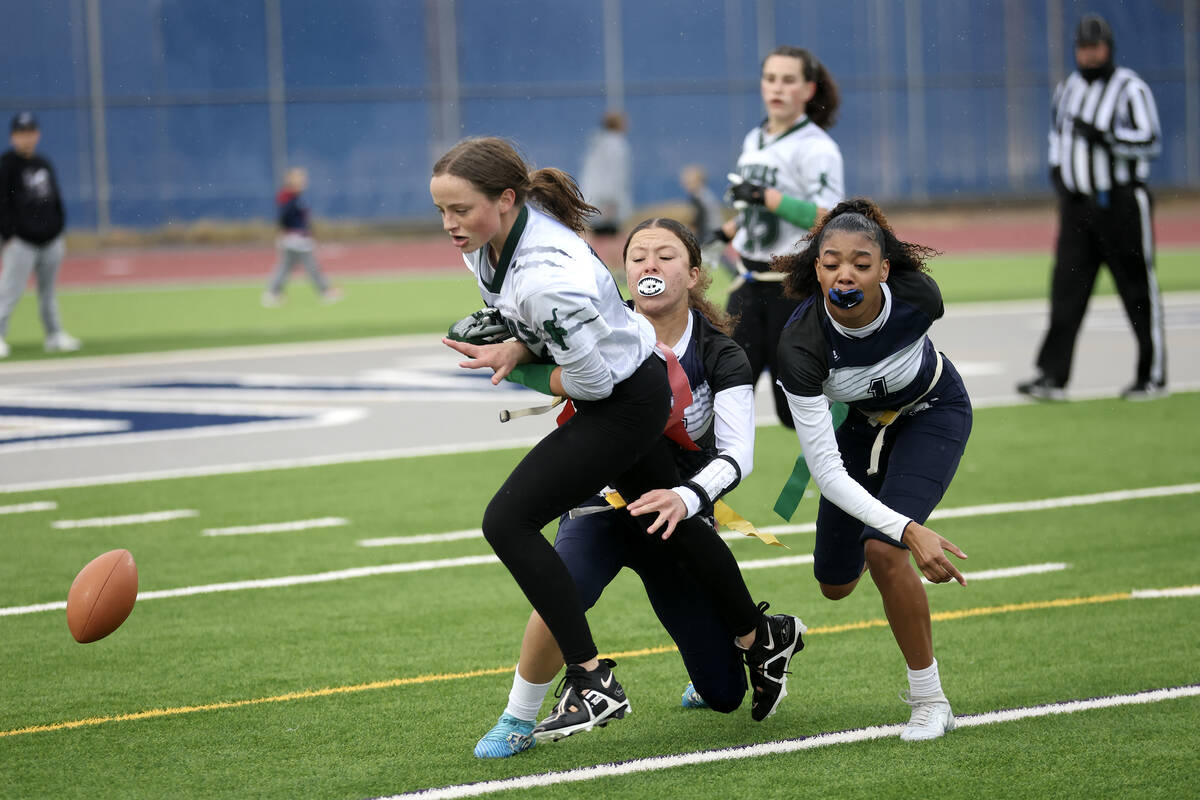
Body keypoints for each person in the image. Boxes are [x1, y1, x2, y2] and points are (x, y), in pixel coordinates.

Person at [432, 137, 802, 744]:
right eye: (441, 211)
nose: (449, 225)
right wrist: (520, 343)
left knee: (507, 521)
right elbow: (558, 339)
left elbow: (592, 382)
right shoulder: (493, 245)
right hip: (620, 421)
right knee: (609, 540)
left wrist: (519, 365)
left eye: (460, 210)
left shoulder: (553, 279)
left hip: (621, 403)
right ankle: (760, 635)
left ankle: (592, 679)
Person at [473, 217, 765, 758]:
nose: (649, 265)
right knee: (562, 588)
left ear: (695, 274)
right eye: (638, 257)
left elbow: (738, 455)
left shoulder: (721, 353)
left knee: (725, 695)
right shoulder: (602, 327)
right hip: (600, 502)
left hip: (669, 514)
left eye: (666, 256)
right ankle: (518, 716)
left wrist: (687, 497)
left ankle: (748, 641)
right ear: (622, 272)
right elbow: (567, 372)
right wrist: (515, 355)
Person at [774, 198, 971, 742]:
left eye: (862, 263)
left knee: (883, 551)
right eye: (832, 261)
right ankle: (887, 529)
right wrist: (906, 524)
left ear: (885, 270)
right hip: (856, 427)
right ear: (816, 269)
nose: (846, 273)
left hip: (931, 411)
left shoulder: (918, 297)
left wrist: (898, 533)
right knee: (835, 585)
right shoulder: (799, 346)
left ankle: (931, 701)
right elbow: (828, 474)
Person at [1017, 14, 1166, 401]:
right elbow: (1056, 137)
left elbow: (1150, 140)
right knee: (1066, 290)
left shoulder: (1130, 88)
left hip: (1120, 203)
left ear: (1109, 48)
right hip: (1078, 207)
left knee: (1137, 289)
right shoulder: (1067, 88)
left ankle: (1152, 375)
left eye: (1095, 46)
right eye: (1083, 47)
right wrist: (1059, 174)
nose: (1089, 54)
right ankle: (1052, 376)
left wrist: (1108, 137)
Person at [715, 46, 844, 429]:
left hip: (792, 289)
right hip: (748, 283)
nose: (777, 87)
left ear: (808, 89)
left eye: (789, 80)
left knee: (795, 411)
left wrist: (768, 197)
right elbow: (753, 209)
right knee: (724, 395)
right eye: (771, 78)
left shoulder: (817, 147)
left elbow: (830, 218)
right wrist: (728, 229)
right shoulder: (755, 138)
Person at [0, 111, 79, 358]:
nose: (27, 138)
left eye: (30, 132)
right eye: (21, 133)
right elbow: (1, 203)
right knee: (10, 291)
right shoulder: (7, 165)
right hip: (21, 241)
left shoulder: (42, 163)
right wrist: (8, 234)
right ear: (13, 136)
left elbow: (55, 198)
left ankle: (54, 335)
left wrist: (58, 228)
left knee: (48, 293)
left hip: (50, 240)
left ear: (38, 134)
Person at [262, 166, 342, 307]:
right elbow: (284, 217)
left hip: (296, 238)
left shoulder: (294, 197)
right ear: (291, 180)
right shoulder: (288, 198)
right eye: (299, 178)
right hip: (295, 239)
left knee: (285, 267)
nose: (303, 181)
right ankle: (325, 291)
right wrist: (292, 231)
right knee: (311, 266)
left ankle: (272, 293)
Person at [578, 111, 633, 269]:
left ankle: (595, 267)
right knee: (611, 235)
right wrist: (611, 201)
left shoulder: (597, 143)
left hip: (593, 196)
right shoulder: (616, 145)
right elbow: (614, 174)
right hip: (608, 201)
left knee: (596, 234)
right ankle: (614, 269)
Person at [678, 165, 725, 245]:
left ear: (699, 182)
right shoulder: (707, 195)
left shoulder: (697, 198)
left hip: (708, 237)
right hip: (716, 236)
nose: (686, 186)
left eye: (689, 183)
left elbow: (695, 222)